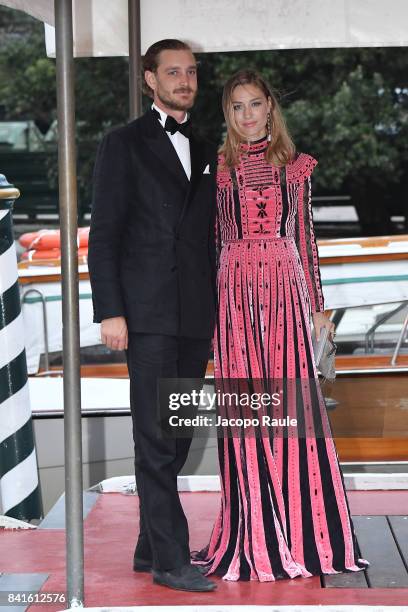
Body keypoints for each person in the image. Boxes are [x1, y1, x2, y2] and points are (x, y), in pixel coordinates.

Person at [193, 70, 370, 581]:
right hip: (233, 296)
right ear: (227, 115)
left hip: (286, 292)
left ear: (270, 107)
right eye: (236, 107)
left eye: (254, 104)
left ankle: (303, 531)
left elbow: (307, 239)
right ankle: (252, 531)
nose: (247, 115)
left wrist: (319, 308)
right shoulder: (218, 168)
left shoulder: (295, 167)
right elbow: (207, 242)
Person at [88, 39, 217, 592]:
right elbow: (105, 235)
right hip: (145, 313)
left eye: (190, 72)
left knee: (180, 433)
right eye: (173, 72)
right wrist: (110, 311)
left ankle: (148, 545)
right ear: (149, 80)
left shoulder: (209, 144)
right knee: (155, 437)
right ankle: (170, 560)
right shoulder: (123, 143)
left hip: (196, 314)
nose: (184, 80)